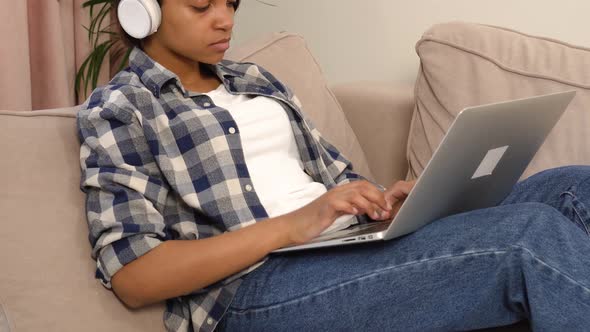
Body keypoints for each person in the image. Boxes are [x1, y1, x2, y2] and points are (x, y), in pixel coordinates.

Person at [76, 0, 590, 331]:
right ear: (142, 12)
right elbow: (134, 276)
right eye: (200, 5)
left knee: (575, 185)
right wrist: (296, 226)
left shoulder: (257, 79)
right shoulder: (121, 108)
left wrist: (385, 203)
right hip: (257, 287)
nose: (225, 19)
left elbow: (335, 181)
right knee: (529, 234)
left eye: (230, 2)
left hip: (345, 244)